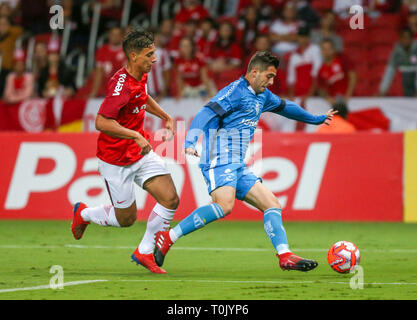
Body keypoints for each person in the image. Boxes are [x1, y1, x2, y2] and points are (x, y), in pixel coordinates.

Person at [153, 51, 337, 272]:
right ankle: (168, 237)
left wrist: (316, 118)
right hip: (218, 157)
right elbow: (204, 114)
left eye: (273, 78)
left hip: (237, 163)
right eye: (268, 77)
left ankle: (285, 256)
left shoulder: (263, 95)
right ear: (254, 72)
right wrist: (190, 141)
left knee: (272, 204)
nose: (271, 82)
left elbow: (287, 108)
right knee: (224, 205)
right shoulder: (234, 92)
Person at [71, 29, 180, 274]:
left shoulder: (140, 74)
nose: (154, 59)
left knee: (170, 198)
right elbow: (101, 122)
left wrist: (165, 116)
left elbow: (142, 96)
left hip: (139, 153)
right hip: (116, 159)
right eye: (149, 54)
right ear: (133, 55)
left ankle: (144, 251)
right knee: (126, 219)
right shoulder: (120, 86)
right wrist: (135, 135)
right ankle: (84, 213)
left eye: (154, 53)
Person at [378, 27, 417, 97]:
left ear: (412, 39)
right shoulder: (397, 50)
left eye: (408, 38)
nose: (406, 40)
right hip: (405, 82)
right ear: (400, 39)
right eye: (404, 38)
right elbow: (389, 71)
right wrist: (382, 91)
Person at [317, 38, 357, 104]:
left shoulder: (342, 60)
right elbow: (320, 88)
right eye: (324, 49)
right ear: (321, 51)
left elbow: (353, 76)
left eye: (329, 49)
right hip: (334, 103)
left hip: (350, 100)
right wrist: (327, 98)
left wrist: (348, 95)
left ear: (333, 49)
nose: (327, 52)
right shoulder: (321, 70)